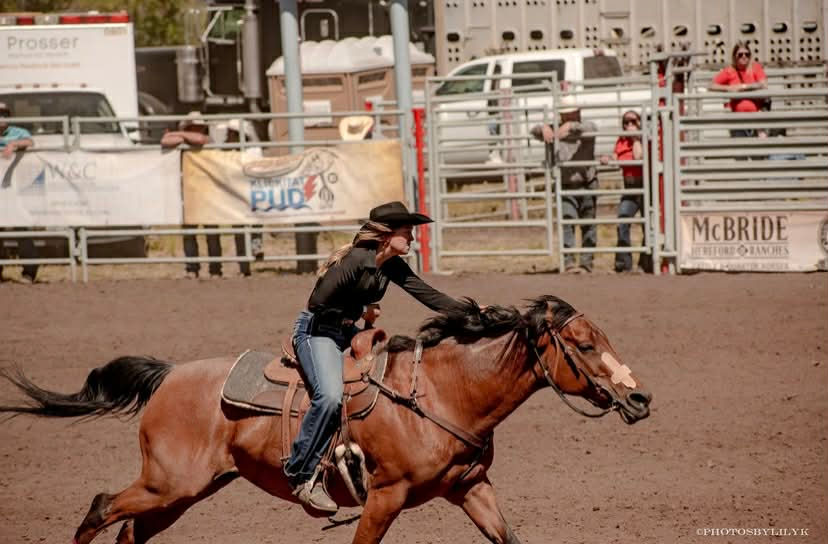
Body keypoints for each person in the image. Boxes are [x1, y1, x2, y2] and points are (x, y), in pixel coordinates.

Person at [284, 200, 466, 513]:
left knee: (387, 379)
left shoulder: (392, 266)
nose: (411, 238)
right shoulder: (355, 259)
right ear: (386, 235)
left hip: (346, 330)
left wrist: (475, 313)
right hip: (317, 332)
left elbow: (428, 295)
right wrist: (361, 310)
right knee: (329, 396)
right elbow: (317, 302)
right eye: (406, 232)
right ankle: (301, 472)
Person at [531, 96, 598, 273]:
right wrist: (543, 128)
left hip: (586, 182)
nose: (568, 118)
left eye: (571, 114)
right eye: (566, 115)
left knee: (588, 223)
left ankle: (586, 263)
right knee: (567, 221)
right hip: (566, 184)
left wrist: (571, 126)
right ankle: (569, 262)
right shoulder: (554, 129)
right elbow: (535, 131)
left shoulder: (585, 128)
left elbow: (590, 128)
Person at [162, 112, 222, 279]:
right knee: (190, 233)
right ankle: (192, 267)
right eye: (193, 126)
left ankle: (215, 269)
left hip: (207, 191)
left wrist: (178, 134)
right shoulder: (184, 142)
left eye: (198, 127)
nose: (198, 129)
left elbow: (200, 140)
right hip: (189, 192)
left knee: (212, 234)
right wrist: (181, 136)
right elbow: (164, 140)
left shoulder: (207, 141)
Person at [600, 110, 650, 274]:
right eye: (626, 123)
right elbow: (615, 156)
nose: (629, 126)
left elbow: (638, 156)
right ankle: (624, 265)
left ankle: (646, 263)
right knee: (622, 222)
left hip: (646, 187)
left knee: (648, 226)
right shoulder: (621, 141)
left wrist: (636, 138)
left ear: (639, 123)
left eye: (633, 122)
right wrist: (608, 159)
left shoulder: (644, 139)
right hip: (630, 188)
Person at [0, 101, 38, 283]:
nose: (2, 118)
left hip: (15, 190)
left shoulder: (17, 132)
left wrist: (14, 145)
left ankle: (29, 272)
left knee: (22, 229)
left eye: (5, 114)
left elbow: (29, 141)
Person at [709, 41, 768, 138]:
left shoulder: (755, 68)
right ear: (734, 57)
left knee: (760, 146)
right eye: (740, 55)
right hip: (738, 117)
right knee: (741, 148)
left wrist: (743, 87)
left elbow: (763, 84)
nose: (744, 57)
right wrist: (728, 88)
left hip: (757, 115)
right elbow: (711, 85)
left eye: (747, 54)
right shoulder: (730, 71)